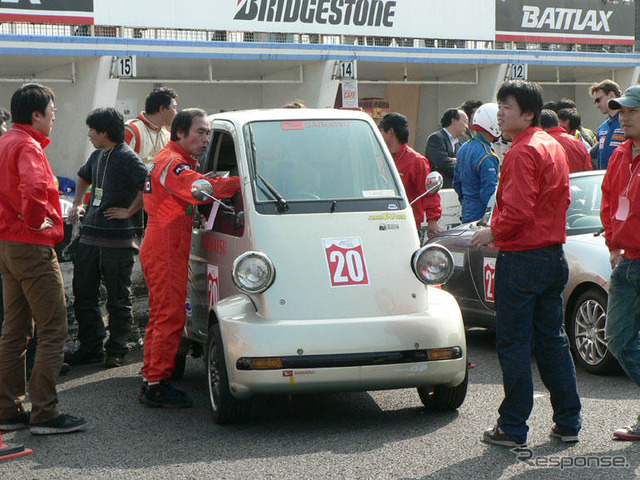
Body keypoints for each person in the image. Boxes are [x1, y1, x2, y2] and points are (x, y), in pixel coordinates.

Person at [470, 80, 581, 447]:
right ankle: (568, 421)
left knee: (514, 344)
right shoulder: (551, 143)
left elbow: (517, 211)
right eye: (499, 105)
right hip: (552, 255)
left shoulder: (521, 151)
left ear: (529, 113)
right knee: (552, 340)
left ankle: (513, 426)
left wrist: (491, 232)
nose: (500, 112)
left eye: (507, 106)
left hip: (522, 257)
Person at [0, 84, 86, 434]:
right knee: (53, 329)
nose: (54, 118)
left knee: (15, 330)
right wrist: (36, 220)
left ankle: (8, 410)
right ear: (37, 115)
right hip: (31, 244)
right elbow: (34, 189)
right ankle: (45, 414)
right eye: (52, 112)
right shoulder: (27, 145)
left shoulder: (6, 141)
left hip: (7, 243)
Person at [140, 108, 240, 408]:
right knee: (169, 317)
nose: (206, 139)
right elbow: (204, 191)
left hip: (164, 243)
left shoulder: (174, 161)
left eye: (209, 132)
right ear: (180, 132)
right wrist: (241, 181)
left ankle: (152, 379)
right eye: (200, 132)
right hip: (166, 246)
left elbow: (195, 185)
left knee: (161, 316)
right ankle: (157, 385)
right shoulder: (174, 164)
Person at [64, 108, 148, 369]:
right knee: (84, 295)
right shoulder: (98, 155)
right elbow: (82, 175)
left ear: (104, 132)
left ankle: (117, 349)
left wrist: (130, 211)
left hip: (118, 243)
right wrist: (78, 204)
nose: (89, 134)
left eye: (92, 130)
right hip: (90, 238)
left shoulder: (127, 157)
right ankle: (91, 348)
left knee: (118, 298)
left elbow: (148, 184)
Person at [599, 85, 640, 441]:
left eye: (631, 111)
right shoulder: (618, 154)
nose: (623, 117)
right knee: (617, 340)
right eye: (621, 111)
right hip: (627, 263)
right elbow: (609, 200)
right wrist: (613, 242)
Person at [379, 113, 442, 236]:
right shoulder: (378, 157)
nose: (377, 135)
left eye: (380, 131)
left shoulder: (416, 161)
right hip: (380, 222)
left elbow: (430, 192)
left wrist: (432, 221)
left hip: (408, 224)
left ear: (391, 132)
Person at [452, 103, 501, 223]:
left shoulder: (463, 147)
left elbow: (457, 183)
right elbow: (489, 193)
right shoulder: (488, 155)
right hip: (482, 216)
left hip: (467, 211)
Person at [125, 87, 178, 165]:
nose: (176, 113)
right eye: (174, 108)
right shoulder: (131, 130)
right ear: (162, 109)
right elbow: (119, 166)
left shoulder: (167, 134)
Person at [425, 108, 469, 188]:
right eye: (465, 121)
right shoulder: (436, 138)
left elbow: (466, 162)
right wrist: (459, 164)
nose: (467, 126)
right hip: (440, 189)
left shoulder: (460, 144)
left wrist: (455, 160)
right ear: (453, 120)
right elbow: (443, 163)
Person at [540, 109, 592, 173]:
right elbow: (588, 170)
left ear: (573, 130)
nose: (560, 129)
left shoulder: (540, 143)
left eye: (563, 127)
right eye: (559, 125)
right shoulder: (578, 143)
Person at [590, 79, 624, 170]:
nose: (596, 105)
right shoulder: (603, 127)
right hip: (605, 178)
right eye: (595, 102)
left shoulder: (628, 122)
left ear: (611, 95)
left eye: (598, 100)